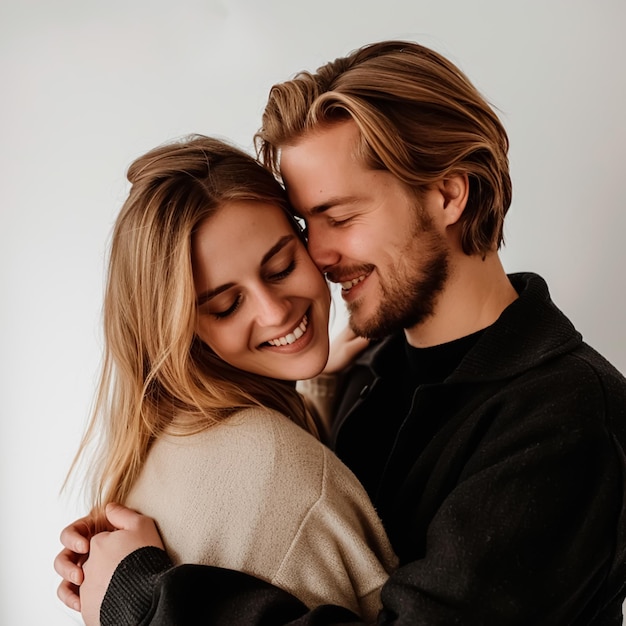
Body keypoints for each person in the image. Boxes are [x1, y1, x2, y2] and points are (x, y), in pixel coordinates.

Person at [57, 40, 626, 624]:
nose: (319, 253)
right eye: (307, 222)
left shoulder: (567, 417)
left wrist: (148, 600)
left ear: (449, 194)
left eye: (343, 217)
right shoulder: (369, 372)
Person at [56, 134, 397, 625]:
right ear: (179, 331)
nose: (274, 312)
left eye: (281, 267)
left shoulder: (170, 443)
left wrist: (318, 383)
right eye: (226, 305)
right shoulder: (284, 470)